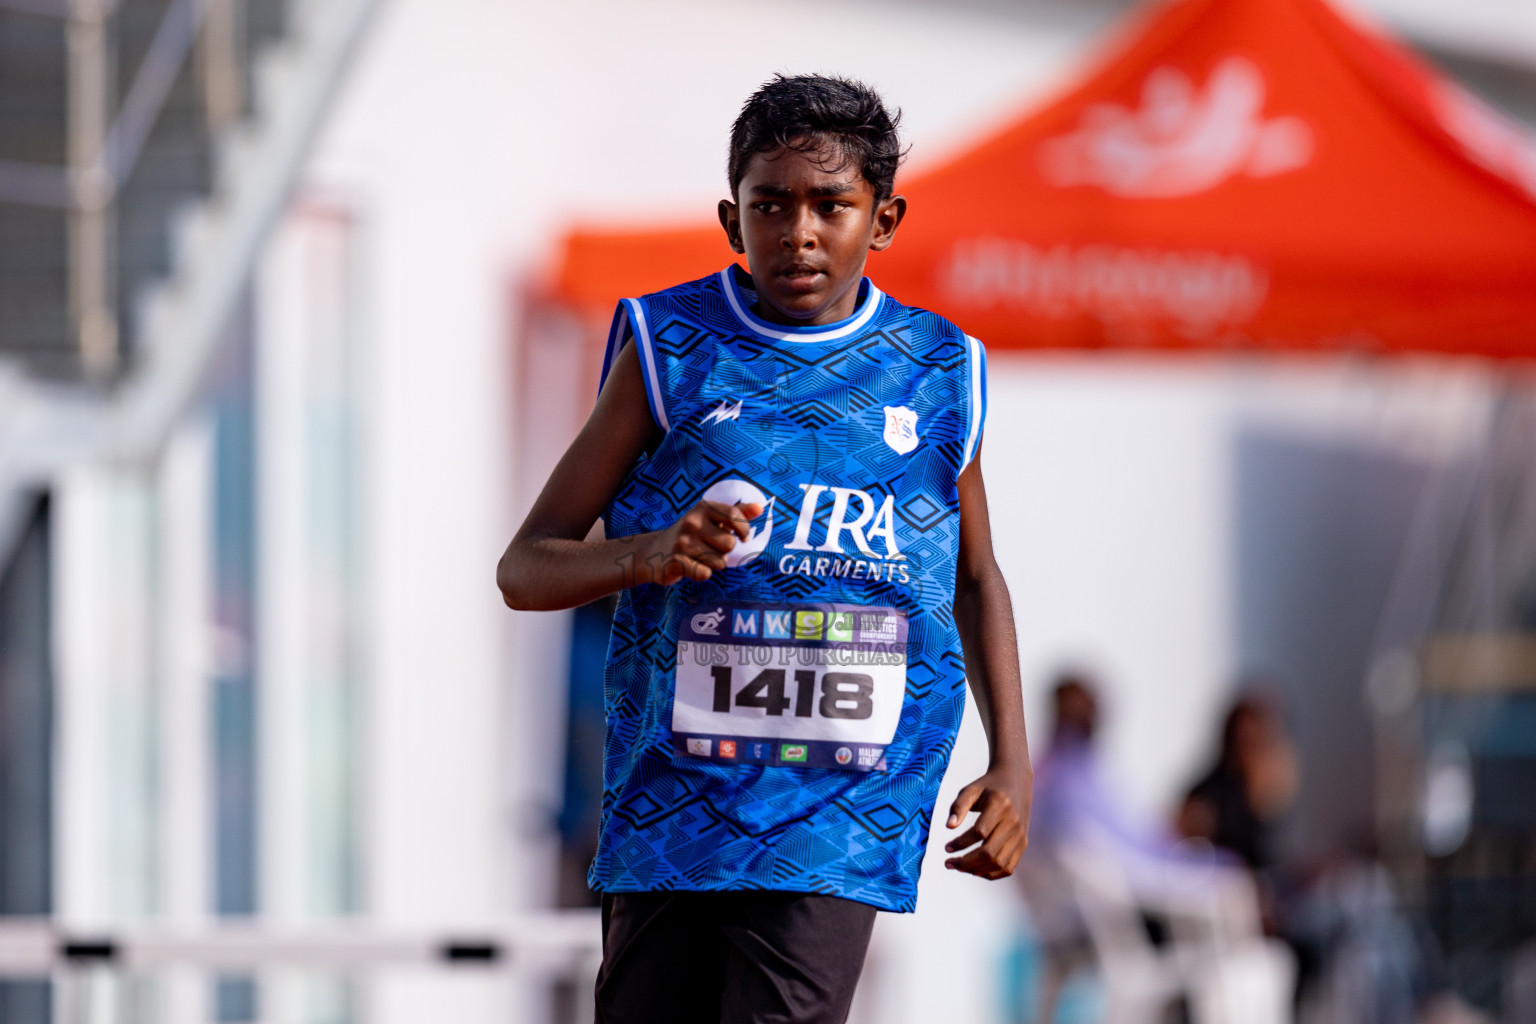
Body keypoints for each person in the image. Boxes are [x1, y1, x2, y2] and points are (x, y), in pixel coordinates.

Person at [498, 74, 1032, 1024]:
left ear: (885, 218)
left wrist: (1013, 762)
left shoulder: (944, 371)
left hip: (838, 818)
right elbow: (527, 566)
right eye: (770, 205)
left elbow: (976, 577)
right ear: (729, 217)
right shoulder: (671, 350)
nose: (800, 232)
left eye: (832, 205)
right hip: (674, 807)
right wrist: (650, 553)